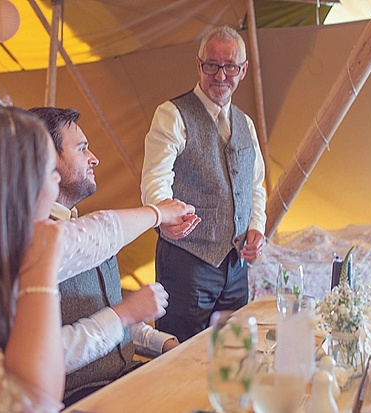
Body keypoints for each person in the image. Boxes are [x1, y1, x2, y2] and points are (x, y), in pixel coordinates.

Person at [0, 96, 197, 413]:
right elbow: (30, 406)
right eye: (49, 171)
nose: (54, 188)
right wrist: (41, 273)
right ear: (8, 182)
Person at [30, 107, 200, 405]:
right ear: (47, 160)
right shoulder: (35, 243)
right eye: (82, 149)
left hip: (127, 376)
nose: (94, 158)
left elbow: (118, 321)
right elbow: (45, 357)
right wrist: (125, 313)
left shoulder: (91, 233)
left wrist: (163, 343)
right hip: (81, 398)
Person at [141, 25, 267, 342]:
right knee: (180, 351)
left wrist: (256, 226)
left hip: (236, 266)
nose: (220, 76)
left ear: (243, 70)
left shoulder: (246, 124)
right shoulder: (172, 114)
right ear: (199, 65)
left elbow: (256, 185)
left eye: (230, 67)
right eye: (212, 65)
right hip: (187, 263)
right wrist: (163, 219)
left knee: (235, 351)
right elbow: (156, 178)